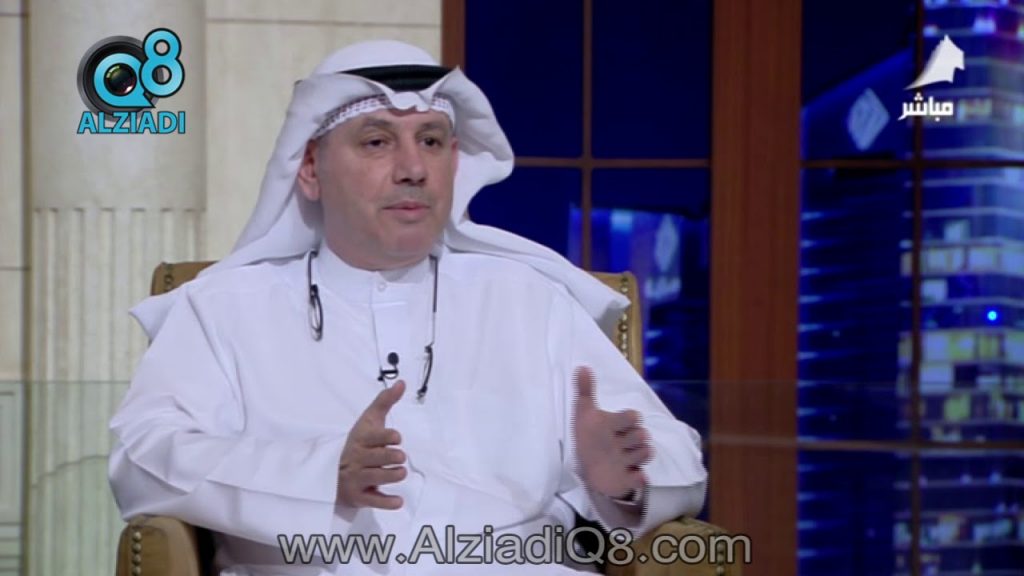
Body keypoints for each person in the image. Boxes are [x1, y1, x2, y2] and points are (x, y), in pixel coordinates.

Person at [108, 40, 707, 575]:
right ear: (310, 168)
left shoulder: (529, 298)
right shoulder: (224, 308)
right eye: (377, 142)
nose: (414, 169)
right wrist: (318, 474)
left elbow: (671, 450)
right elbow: (142, 458)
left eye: (431, 141)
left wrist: (620, 484)